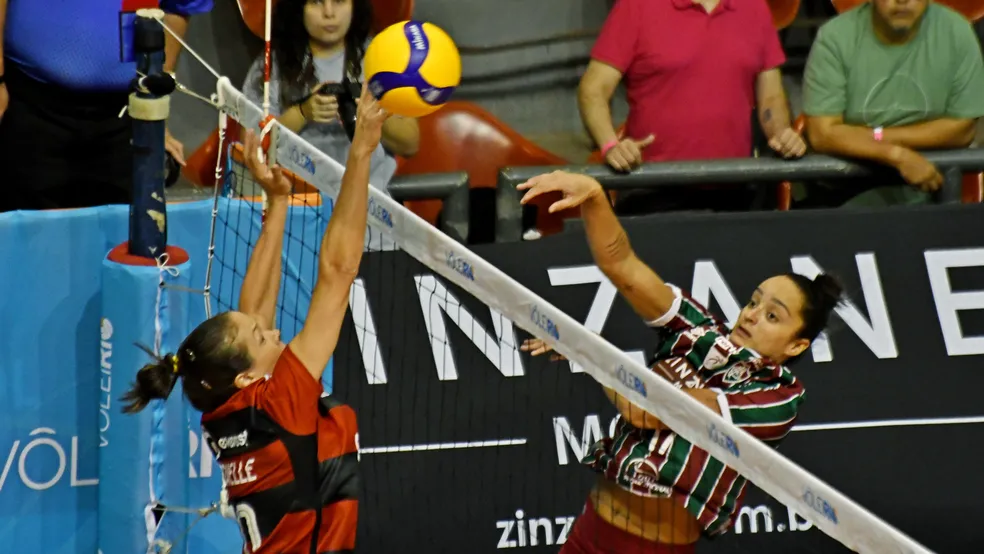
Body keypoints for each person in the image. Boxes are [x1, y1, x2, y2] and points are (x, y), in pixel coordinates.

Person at [120, 83, 388, 553]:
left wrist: (278, 203)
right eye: (265, 337)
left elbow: (252, 312)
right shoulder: (263, 404)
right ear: (245, 378)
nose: (275, 329)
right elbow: (339, 271)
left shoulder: (230, 406)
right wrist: (361, 152)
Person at [517, 170, 844, 553]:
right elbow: (622, 265)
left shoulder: (776, 398)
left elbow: (650, 411)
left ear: (796, 345)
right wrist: (593, 197)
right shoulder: (697, 328)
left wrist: (587, 351)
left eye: (773, 316)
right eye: (754, 302)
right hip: (590, 531)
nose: (752, 314)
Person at [577, 0, 806, 214]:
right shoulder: (636, 6)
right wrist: (610, 146)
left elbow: (772, 98)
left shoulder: (754, 7)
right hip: (652, 188)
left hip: (736, 189)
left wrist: (781, 134)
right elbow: (593, 90)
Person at [0, 0, 205, 211]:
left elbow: (177, 8)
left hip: (126, 116)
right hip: (30, 105)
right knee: (30, 234)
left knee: (118, 236)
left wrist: (155, 109)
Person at [802, 0, 984, 208]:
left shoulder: (957, 32)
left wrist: (872, 136)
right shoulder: (835, 36)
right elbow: (822, 134)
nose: (902, 0)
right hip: (846, 186)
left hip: (933, 184)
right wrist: (896, 155)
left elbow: (962, 130)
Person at [243, 0, 419, 193]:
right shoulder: (271, 66)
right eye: (316, 2)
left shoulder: (380, 59)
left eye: (339, 1)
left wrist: (370, 111)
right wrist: (301, 113)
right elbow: (251, 147)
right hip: (296, 201)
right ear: (299, 8)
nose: (329, 13)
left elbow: (410, 144)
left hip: (367, 200)